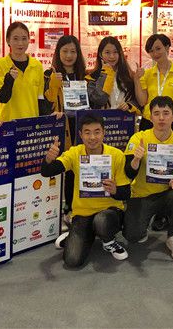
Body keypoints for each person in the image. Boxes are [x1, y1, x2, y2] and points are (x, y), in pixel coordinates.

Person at [41, 113, 131, 268]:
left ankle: (108, 241)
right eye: (87, 133)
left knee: (102, 221)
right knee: (72, 260)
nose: (92, 137)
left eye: (97, 132)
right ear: (81, 134)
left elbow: (126, 193)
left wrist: (115, 190)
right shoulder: (74, 153)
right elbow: (47, 171)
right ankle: (78, 235)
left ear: (104, 133)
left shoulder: (116, 155)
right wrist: (49, 159)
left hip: (109, 211)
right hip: (82, 213)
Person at [123, 96, 173, 262]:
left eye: (166, 113)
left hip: (168, 195)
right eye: (156, 113)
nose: (161, 118)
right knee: (132, 236)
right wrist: (136, 160)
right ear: (150, 116)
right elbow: (128, 174)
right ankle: (147, 222)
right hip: (141, 196)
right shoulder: (138, 139)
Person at [43, 35, 87, 224]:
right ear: (58, 53)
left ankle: (80, 207)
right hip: (62, 128)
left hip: (82, 127)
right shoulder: (49, 74)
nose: (69, 55)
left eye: (73, 51)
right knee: (66, 167)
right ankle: (65, 208)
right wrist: (54, 82)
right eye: (65, 51)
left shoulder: (84, 76)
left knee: (80, 168)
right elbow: (46, 104)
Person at [134, 34, 173, 139]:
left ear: (167, 47)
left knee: (171, 150)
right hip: (149, 122)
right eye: (151, 51)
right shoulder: (147, 74)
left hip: (171, 123)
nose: (155, 53)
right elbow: (142, 102)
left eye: (158, 49)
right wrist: (136, 80)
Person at [0, 22, 45, 121]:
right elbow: (2, 98)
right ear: (8, 40)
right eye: (15, 39)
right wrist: (9, 80)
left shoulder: (37, 66)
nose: (20, 43)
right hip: (8, 124)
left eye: (24, 39)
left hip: (32, 124)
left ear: (29, 40)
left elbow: (40, 98)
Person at [86, 36, 141, 115]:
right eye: (107, 52)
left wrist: (129, 105)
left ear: (120, 53)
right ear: (100, 54)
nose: (112, 56)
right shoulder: (92, 77)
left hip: (125, 119)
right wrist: (106, 73)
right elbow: (99, 99)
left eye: (115, 52)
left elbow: (139, 101)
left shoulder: (130, 75)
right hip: (102, 120)